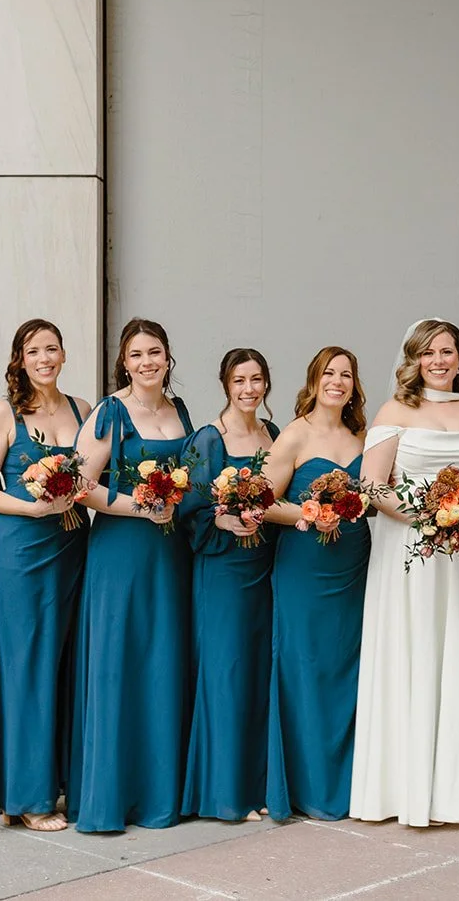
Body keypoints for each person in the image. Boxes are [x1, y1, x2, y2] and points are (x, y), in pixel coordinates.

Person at [350, 319, 459, 826]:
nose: (439, 361)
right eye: (429, 353)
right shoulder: (395, 410)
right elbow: (371, 486)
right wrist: (424, 515)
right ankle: (408, 790)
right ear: (414, 359)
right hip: (409, 552)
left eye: (448, 352)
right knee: (415, 650)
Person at [68, 318, 195, 832]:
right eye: (137, 354)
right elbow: (77, 482)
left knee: (163, 663)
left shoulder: (180, 409)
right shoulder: (110, 412)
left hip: (170, 554)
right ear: (124, 360)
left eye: (156, 352)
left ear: (168, 358)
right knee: (119, 664)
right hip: (121, 554)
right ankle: (111, 798)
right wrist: (141, 509)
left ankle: (160, 793)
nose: (147, 362)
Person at [0, 320, 91, 831]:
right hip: (22, 548)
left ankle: (49, 782)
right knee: (25, 664)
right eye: (33, 350)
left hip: (72, 546)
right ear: (20, 358)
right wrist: (34, 508)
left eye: (52, 348)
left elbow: (92, 477)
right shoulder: (4, 413)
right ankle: (28, 796)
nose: (44, 357)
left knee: (63, 662)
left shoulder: (83, 409)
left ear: (64, 353)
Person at [262, 347, 371, 821]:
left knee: (348, 670)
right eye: (329, 373)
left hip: (354, 568)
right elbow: (260, 502)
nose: (338, 381)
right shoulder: (294, 435)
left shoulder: (364, 435)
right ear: (314, 379)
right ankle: (307, 787)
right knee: (304, 668)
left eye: (346, 375)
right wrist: (310, 512)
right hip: (305, 569)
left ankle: (349, 783)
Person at [181, 349, 279, 823]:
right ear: (225, 384)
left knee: (258, 675)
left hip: (263, 570)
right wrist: (220, 518)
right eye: (240, 380)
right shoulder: (208, 439)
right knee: (225, 673)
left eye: (256, 379)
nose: (248, 389)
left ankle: (256, 785)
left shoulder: (273, 435)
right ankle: (224, 793)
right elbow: (189, 509)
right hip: (222, 572)